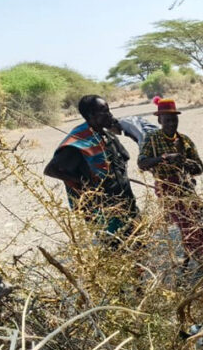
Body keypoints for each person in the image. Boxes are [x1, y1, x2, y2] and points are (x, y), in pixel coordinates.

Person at [44, 95, 139, 247]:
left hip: (126, 202)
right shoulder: (80, 141)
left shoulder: (106, 135)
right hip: (105, 210)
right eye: (104, 111)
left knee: (138, 243)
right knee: (118, 249)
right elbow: (51, 170)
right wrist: (84, 183)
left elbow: (120, 161)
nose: (109, 114)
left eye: (108, 110)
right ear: (90, 115)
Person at [137, 98, 203, 264]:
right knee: (187, 223)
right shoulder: (152, 139)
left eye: (174, 119)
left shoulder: (185, 141)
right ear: (159, 120)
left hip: (187, 186)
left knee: (195, 221)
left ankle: (194, 256)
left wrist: (184, 161)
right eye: (167, 120)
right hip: (166, 187)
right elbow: (142, 163)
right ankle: (200, 258)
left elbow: (199, 168)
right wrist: (163, 158)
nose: (171, 123)